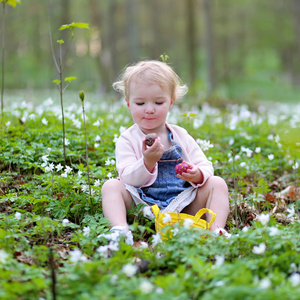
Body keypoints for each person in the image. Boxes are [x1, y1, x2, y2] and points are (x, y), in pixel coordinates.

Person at [101, 60, 229, 245]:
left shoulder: (180, 135)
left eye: (159, 102)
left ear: (171, 102)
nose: (149, 109)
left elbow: (205, 165)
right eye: (140, 102)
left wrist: (196, 174)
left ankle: (215, 231)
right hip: (144, 207)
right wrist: (147, 163)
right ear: (128, 103)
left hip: (182, 205)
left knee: (217, 183)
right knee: (111, 186)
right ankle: (120, 230)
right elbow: (127, 178)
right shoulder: (127, 139)